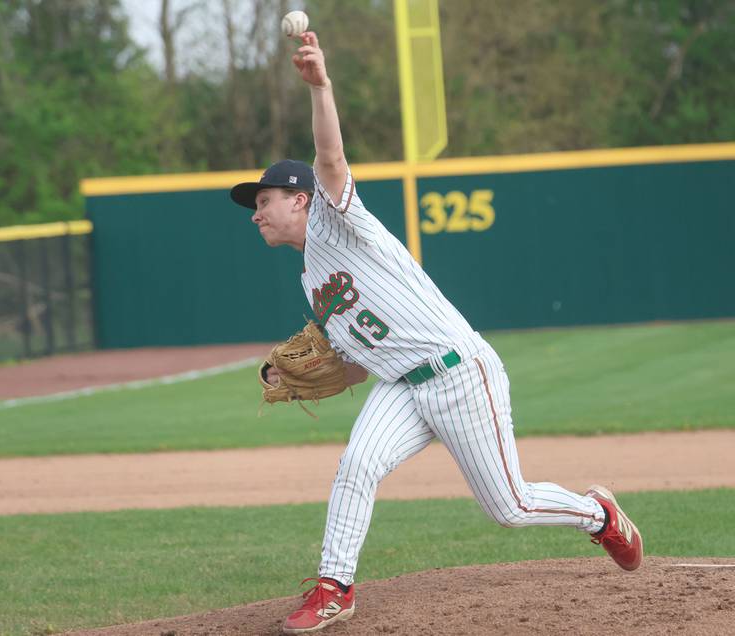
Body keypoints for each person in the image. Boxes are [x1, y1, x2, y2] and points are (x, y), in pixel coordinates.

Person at [230, 31, 643, 635]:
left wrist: (321, 88)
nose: (257, 213)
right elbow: (355, 360)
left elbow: (332, 160)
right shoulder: (309, 279)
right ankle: (333, 589)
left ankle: (597, 514)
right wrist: (304, 375)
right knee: (356, 465)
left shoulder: (339, 223)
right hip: (402, 384)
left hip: (458, 372)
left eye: (264, 199)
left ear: (300, 199)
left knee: (510, 507)